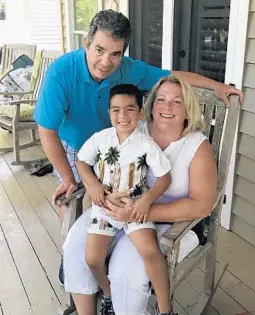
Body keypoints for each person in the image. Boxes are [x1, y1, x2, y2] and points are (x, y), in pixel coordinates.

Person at [33, 8, 242, 315]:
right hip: (86, 157)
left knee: (124, 265)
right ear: (87, 44)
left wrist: (217, 85)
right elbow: (50, 133)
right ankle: (92, 303)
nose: (106, 61)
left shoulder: (191, 144)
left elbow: (171, 77)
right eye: (100, 50)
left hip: (145, 212)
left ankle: (154, 307)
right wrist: (78, 182)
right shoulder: (123, 126)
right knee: (78, 248)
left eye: (115, 54)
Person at [63, 75, 217, 315]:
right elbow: (93, 161)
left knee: (126, 270)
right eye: (161, 99)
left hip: (170, 222)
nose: (167, 107)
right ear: (151, 106)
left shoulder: (196, 146)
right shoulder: (132, 128)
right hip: (114, 209)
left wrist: (136, 212)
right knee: (75, 246)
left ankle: (160, 310)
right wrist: (90, 184)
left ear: (188, 109)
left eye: (177, 102)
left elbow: (202, 206)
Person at [77, 83, 174, 314]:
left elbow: (164, 178)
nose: (122, 116)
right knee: (92, 259)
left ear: (140, 112)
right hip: (105, 207)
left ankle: (165, 309)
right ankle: (108, 292)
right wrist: (93, 185)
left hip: (134, 208)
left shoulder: (145, 144)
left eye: (130, 109)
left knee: (150, 252)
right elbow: (82, 162)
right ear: (109, 112)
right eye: (116, 110)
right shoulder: (100, 139)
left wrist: (146, 200)